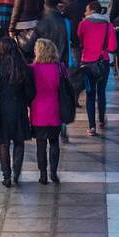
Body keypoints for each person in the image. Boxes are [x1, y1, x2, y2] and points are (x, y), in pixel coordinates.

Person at [0, 36, 33, 186]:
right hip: (19, 108)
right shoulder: (23, 67)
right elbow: (31, 92)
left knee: (3, 143)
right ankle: (16, 171)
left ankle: (6, 175)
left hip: (1, 110)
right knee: (19, 142)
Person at [30, 39, 75, 184]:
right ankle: (53, 173)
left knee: (40, 144)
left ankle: (43, 174)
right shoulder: (60, 67)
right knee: (54, 142)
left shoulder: (32, 69)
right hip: (55, 110)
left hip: (38, 112)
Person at [77, 0, 117, 135]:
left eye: (86, 10)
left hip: (87, 64)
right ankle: (101, 120)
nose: (85, 12)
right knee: (101, 92)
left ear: (92, 10)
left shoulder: (83, 24)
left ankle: (92, 126)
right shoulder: (108, 25)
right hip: (103, 62)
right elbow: (112, 47)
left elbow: (80, 41)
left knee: (90, 94)